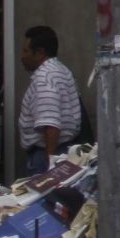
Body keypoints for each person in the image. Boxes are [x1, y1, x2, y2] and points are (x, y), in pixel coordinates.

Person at [18, 25, 83, 174]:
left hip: (46, 155)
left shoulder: (44, 78)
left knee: (45, 195)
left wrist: (50, 164)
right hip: (63, 151)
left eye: (26, 51)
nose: (22, 56)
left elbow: (51, 124)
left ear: (40, 52)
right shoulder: (62, 70)